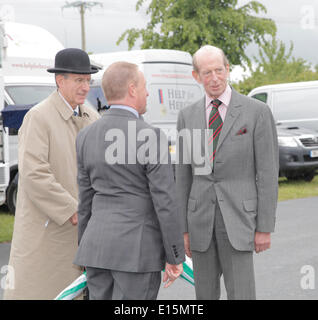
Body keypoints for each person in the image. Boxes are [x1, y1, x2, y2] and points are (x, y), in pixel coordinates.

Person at [74, 61, 185, 300]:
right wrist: (176, 256)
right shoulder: (151, 136)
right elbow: (165, 201)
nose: (147, 93)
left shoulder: (85, 136)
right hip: (137, 252)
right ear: (133, 89)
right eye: (145, 87)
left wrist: (85, 247)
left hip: (96, 249)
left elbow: (85, 201)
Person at [176, 45, 279, 300]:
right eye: (207, 72)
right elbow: (183, 175)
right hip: (200, 223)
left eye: (219, 70)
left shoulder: (257, 112)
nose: (214, 78)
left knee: (242, 294)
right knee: (204, 296)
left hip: (239, 220)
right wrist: (184, 229)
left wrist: (264, 227)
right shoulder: (187, 116)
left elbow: (267, 173)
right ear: (196, 76)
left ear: (228, 69)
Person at [4, 48, 100, 300]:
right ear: (60, 80)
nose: (85, 86)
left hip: (83, 233)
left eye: (88, 80)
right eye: (79, 80)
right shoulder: (38, 117)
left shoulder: (92, 117)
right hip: (49, 236)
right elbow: (34, 174)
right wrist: (73, 210)